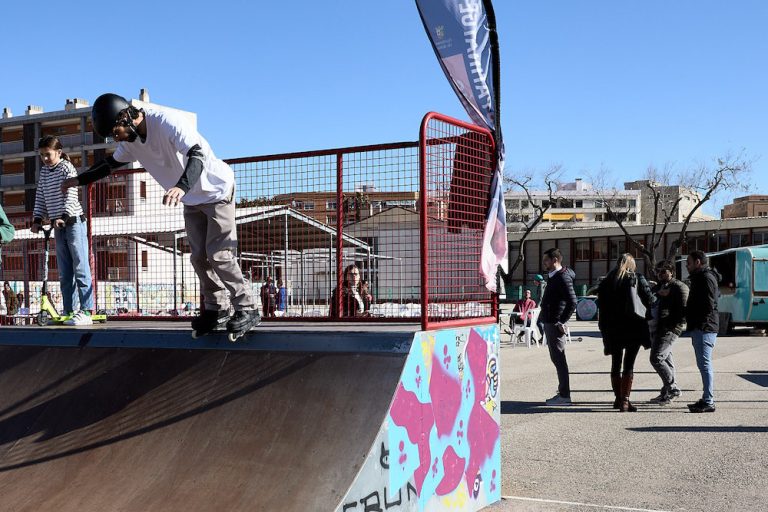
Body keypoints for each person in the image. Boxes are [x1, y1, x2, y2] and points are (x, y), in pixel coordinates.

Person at [63, 93, 259, 336]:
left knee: (219, 254)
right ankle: (216, 308)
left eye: (116, 132)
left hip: (216, 191)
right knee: (199, 258)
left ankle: (247, 307)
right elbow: (109, 164)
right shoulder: (131, 142)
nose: (117, 138)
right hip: (191, 200)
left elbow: (197, 154)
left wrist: (181, 187)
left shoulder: (167, 122)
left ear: (125, 117)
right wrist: (79, 180)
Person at [32, 135, 94, 325]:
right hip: (57, 225)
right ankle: (68, 310)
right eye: (42, 155)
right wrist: (37, 219)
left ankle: (86, 310)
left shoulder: (67, 168)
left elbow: (71, 195)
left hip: (73, 222)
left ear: (58, 152)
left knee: (80, 267)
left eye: (48, 154)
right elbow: (40, 196)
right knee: (64, 271)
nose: (45, 158)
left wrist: (64, 217)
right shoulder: (44, 172)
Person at [597, 254, 655, 412]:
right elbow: (650, 299)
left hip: (612, 327)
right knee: (629, 363)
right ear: (632, 264)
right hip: (633, 326)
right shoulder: (636, 278)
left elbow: (601, 304)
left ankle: (617, 399)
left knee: (615, 363)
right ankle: (625, 401)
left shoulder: (607, 281)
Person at [539, 248, 578, 405]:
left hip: (555, 322)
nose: (544, 263)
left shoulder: (562, 277)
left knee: (559, 359)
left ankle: (564, 395)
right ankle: (563, 393)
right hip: (551, 320)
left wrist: (562, 321)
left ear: (555, 260)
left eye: (546, 260)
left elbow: (573, 301)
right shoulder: (554, 276)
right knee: (557, 358)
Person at [685, 250, 721, 413]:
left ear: (698, 262)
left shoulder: (705, 278)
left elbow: (708, 305)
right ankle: (706, 398)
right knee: (703, 364)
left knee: (705, 364)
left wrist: (694, 318)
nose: (687, 266)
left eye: (689, 263)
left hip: (704, 327)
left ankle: (708, 401)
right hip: (701, 326)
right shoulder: (701, 277)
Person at [649, 260, 689, 405]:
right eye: (658, 271)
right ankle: (667, 392)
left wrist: (668, 295)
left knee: (656, 358)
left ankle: (672, 389)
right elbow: (649, 300)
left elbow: (684, 309)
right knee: (666, 359)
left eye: (663, 271)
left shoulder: (679, 287)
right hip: (657, 327)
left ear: (671, 272)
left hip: (670, 328)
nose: (660, 274)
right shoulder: (658, 287)